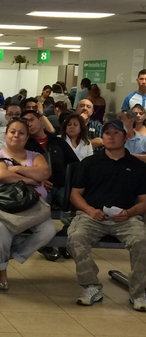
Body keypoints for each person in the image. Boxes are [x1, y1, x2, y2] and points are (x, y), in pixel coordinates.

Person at [67, 119, 146, 311]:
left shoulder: (138, 167)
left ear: (126, 137)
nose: (111, 136)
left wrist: (130, 212)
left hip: (127, 218)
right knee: (76, 237)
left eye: (116, 133)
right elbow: (75, 194)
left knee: (142, 240)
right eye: (107, 133)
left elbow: (144, 201)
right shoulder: (89, 163)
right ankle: (91, 286)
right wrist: (90, 210)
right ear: (102, 137)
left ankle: (139, 292)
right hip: (92, 216)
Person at [0, 118, 56, 291]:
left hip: (34, 208)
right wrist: (30, 178)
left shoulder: (36, 156)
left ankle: (11, 255)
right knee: (1, 230)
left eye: (21, 133)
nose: (16, 136)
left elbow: (44, 173)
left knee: (49, 230)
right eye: (13, 132)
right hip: (4, 207)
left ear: (27, 137)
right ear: (6, 134)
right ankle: (1, 271)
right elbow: (1, 175)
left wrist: (16, 169)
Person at [23, 110, 79, 206]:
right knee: (38, 208)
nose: (29, 124)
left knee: (75, 203)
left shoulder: (58, 141)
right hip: (38, 186)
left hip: (63, 186)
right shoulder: (24, 145)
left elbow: (74, 164)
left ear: (40, 120)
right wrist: (37, 181)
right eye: (25, 122)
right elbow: (21, 168)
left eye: (31, 120)